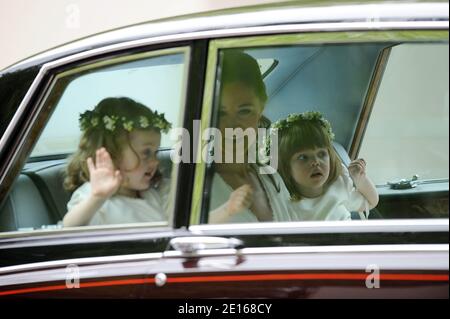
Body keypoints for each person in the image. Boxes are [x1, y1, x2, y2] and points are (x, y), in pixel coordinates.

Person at [208, 50, 292, 224]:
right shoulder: (195, 188)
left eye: (244, 111)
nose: (232, 127)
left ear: (260, 110)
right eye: (220, 113)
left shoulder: (272, 178)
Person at [62, 97, 172, 227]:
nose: (155, 162)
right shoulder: (94, 197)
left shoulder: (151, 194)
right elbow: (71, 226)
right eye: (146, 153)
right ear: (111, 154)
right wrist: (97, 197)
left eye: (155, 152)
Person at [273, 111, 379, 221]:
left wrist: (360, 179)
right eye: (303, 157)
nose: (315, 161)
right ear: (286, 167)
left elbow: (370, 202)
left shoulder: (337, 187)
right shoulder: (284, 202)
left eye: (321, 154)